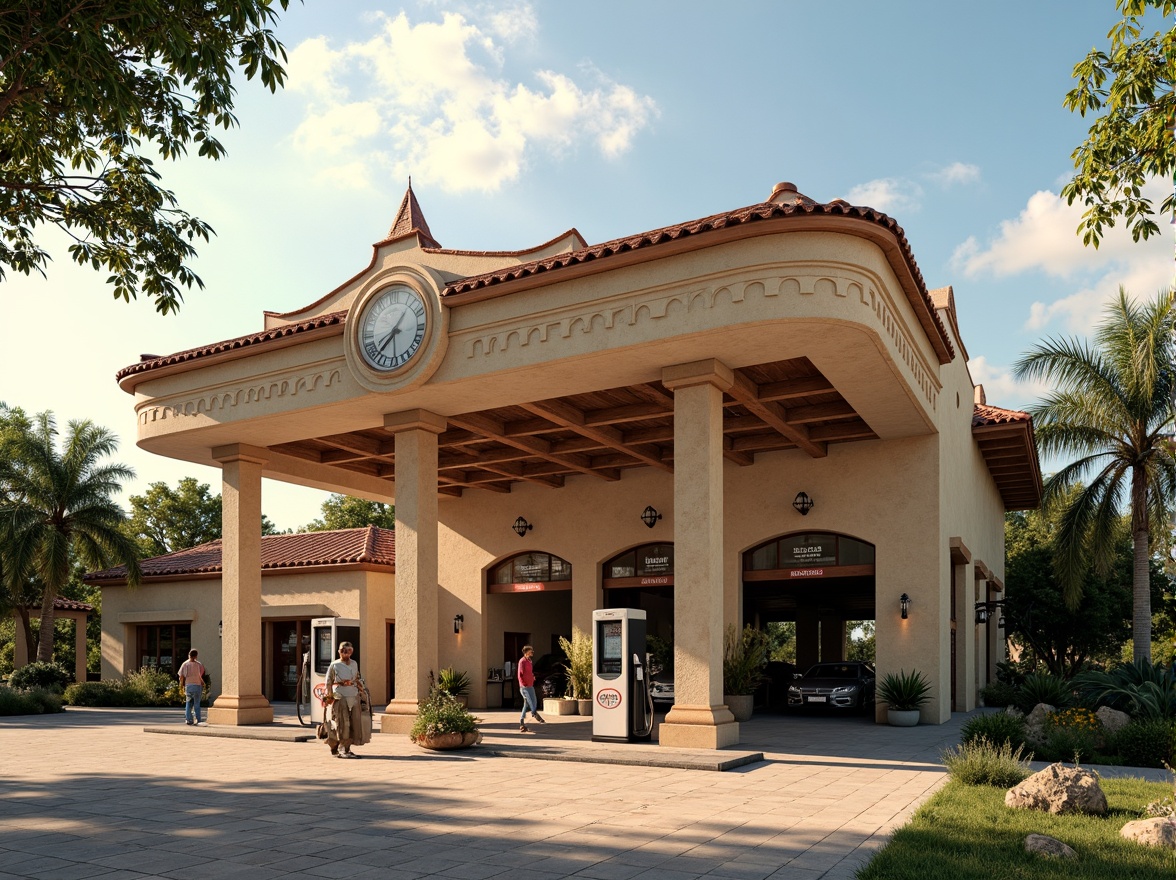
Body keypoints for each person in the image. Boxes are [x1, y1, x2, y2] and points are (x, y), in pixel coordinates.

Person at [324, 641, 369, 758]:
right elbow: (328, 682)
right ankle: (340, 748)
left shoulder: (354, 663)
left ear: (351, 651)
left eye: (348, 650)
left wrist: (362, 691)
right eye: (343, 650)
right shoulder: (334, 665)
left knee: (354, 723)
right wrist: (328, 698)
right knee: (342, 723)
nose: (345, 653)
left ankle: (347, 748)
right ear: (339, 651)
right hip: (340, 696)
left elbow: (357, 678)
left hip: (353, 696)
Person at [516, 645, 545, 732]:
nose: (532, 652)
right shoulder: (522, 661)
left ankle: (522, 722)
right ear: (526, 652)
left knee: (531, 702)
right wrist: (523, 683)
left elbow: (529, 672)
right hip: (524, 686)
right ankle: (535, 714)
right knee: (529, 701)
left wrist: (532, 677)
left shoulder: (529, 661)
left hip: (530, 685)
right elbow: (520, 674)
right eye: (531, 651)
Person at [177, 649, 205, 726]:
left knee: (188, 703)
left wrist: (181, 684)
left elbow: (181, 676)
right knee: (197, 703)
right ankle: (198, 719)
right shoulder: (199, 664)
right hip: (197, 685)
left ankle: (189, 719)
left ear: (189, 655)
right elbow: (201, 673)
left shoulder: (185, 664)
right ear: (196, 656)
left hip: (189, 685)